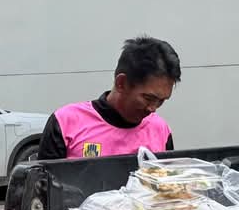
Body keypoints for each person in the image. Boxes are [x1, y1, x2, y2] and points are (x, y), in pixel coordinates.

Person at [37, 36, 181, 160]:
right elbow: (43, 188)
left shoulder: (160, 129)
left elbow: (167, 187)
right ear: (121, 83)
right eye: (148, 98)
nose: (153, 109)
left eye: (161, 101)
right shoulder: (66, 123)